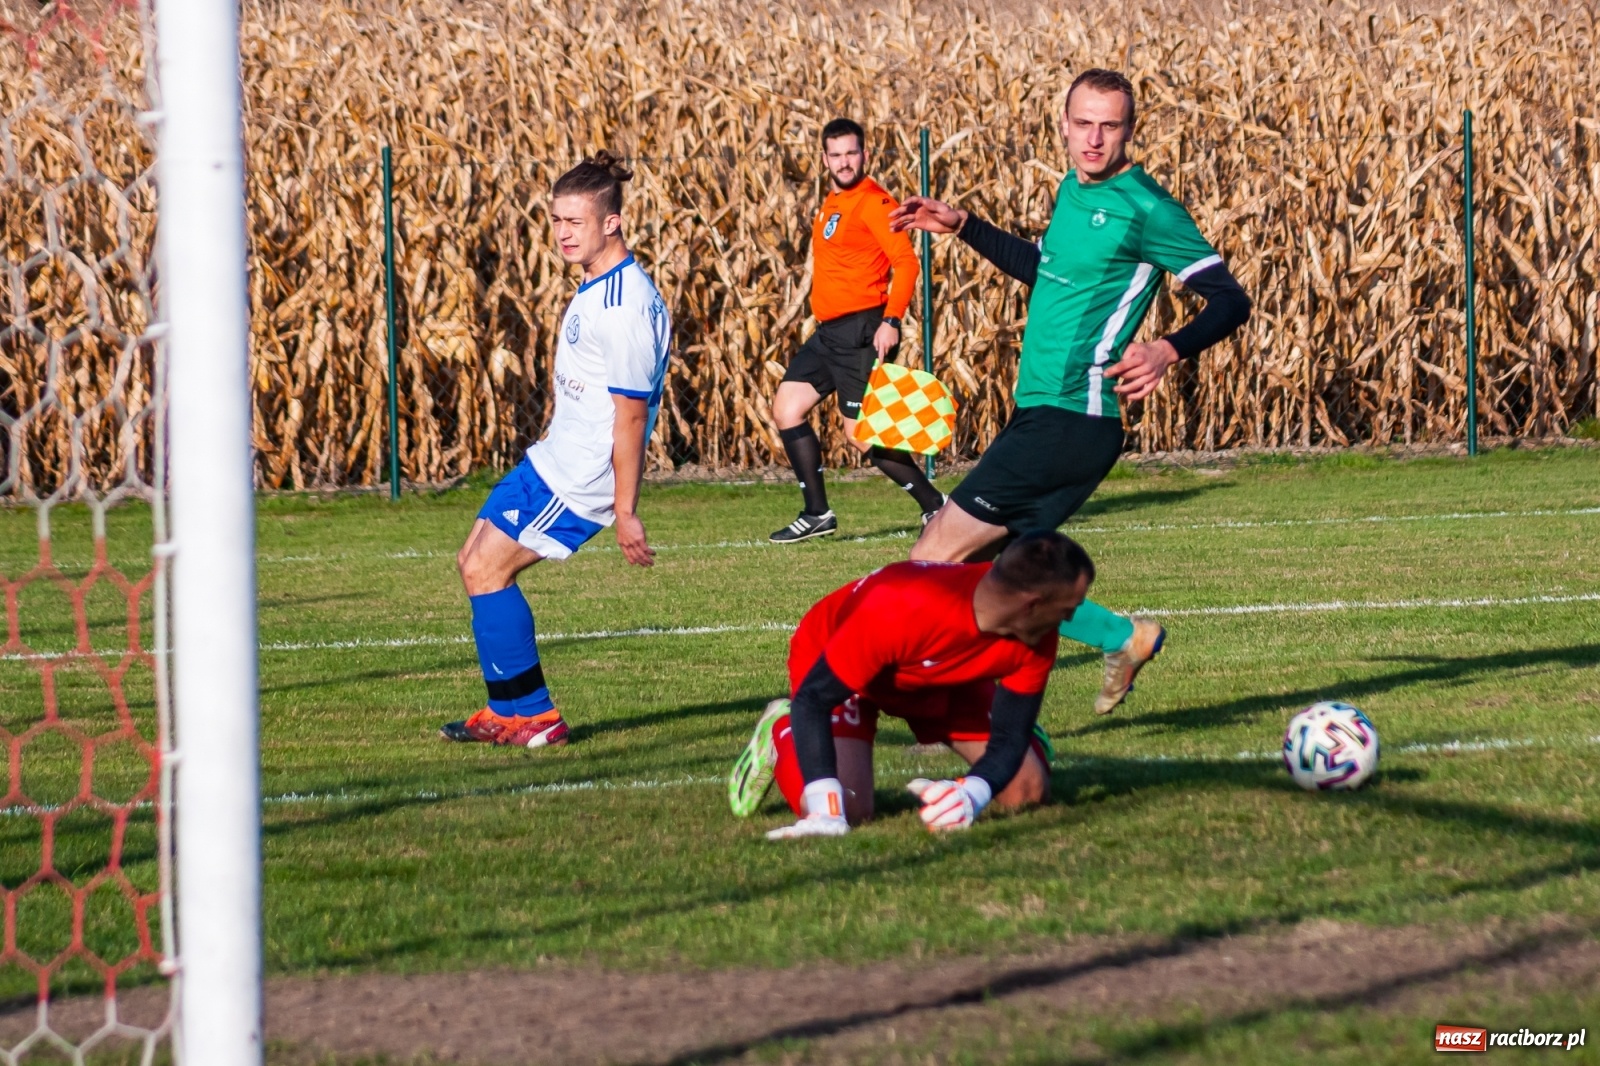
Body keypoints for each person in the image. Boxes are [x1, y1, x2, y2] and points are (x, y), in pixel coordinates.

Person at [889, 68, 1251, 715]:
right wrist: (963, 224)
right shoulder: (1070, 190)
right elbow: (1047, 274)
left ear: (1130, 131)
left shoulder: (1148, 209)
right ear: (1063, 125)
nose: (1094, 138)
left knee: (933, 556)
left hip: (1071, 417)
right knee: (1008, 587)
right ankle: (1119, 639)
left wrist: (1168, 349)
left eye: (1109, 125)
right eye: (1083, 123)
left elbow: (1230, 299)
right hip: (1050, 415)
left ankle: (886, 694)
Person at [440, 151, 670, 748]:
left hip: (580, 475)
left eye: (576, 222)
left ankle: (536, 715)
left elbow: (631, 414)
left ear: (611, 222)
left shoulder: (622, 306)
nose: (563, 234)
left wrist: (624, 510)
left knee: (488, 570)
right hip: (553, 456)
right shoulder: (598, 285)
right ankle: (505, 710)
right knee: (473, 561)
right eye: (557, 221)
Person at [728, 531, 1094, 837]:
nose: (1072, 618)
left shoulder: (1036, 631)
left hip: (941, 674)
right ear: (1031, 604)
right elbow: (814, 700)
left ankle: (1027, 745)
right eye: (1068, 608)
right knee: (850, 810)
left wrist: (971, 793)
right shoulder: (900, 607)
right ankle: (781, 728)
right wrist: (826, 810)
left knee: (1026, 792)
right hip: (843, 669)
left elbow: (1008, 739)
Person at [769, 118, 944, 543]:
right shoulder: (832, 201)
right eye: (836, 154)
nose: (844, 161)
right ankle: (817, 513)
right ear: (825, 158)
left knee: (861, 435)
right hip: (829, 333)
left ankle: (936, 506)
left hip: (862, 329)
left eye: (851, 153)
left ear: (864, 154)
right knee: (786, 409)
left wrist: (891, 320)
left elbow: (906, 263)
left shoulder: (875, 204)